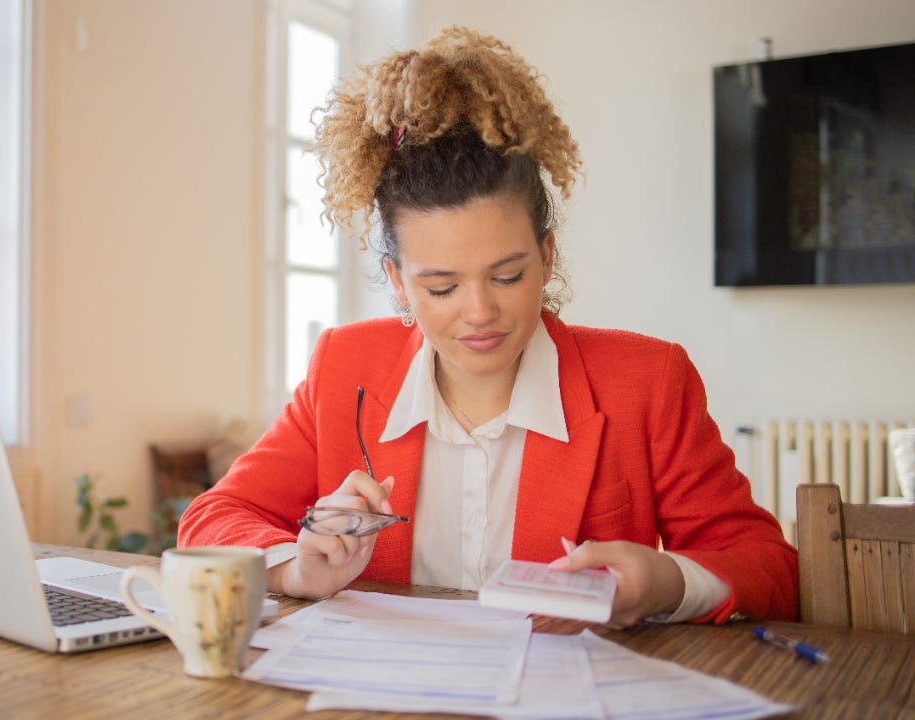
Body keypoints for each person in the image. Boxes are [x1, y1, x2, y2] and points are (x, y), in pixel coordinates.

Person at [177, 27, 797, 627]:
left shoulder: (649, 381)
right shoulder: (346, 366)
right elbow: (216, 516)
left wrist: (669, 582)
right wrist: (297, 567)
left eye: (506, 276)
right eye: (440, 287)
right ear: (396, 280)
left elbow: (770, 566)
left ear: (547, 257)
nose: (478, 312)